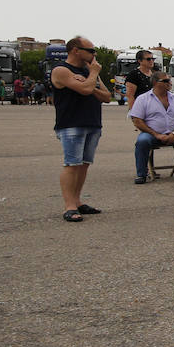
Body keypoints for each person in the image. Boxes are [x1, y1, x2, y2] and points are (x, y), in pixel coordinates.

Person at [51, 37, 112, 222]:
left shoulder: (87, 71)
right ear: (75, 50)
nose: (94, 55)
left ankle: (77, 201)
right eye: (91, 51)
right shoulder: (61, 70)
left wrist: (89, 82)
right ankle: (69, 206)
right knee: (72, 164)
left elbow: (107, 96)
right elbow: (85, 90)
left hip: (92, 122)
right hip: (71, 123)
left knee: (84, 164)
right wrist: (92, 76)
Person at [128, 70, 174, 184]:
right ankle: (142, 174)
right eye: (166, 80)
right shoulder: (143, 99)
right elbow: (137, 120)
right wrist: (156, 134)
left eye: (169, 80)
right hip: (151, 134)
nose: (170, 83)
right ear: (156, 83)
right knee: (142, 141)